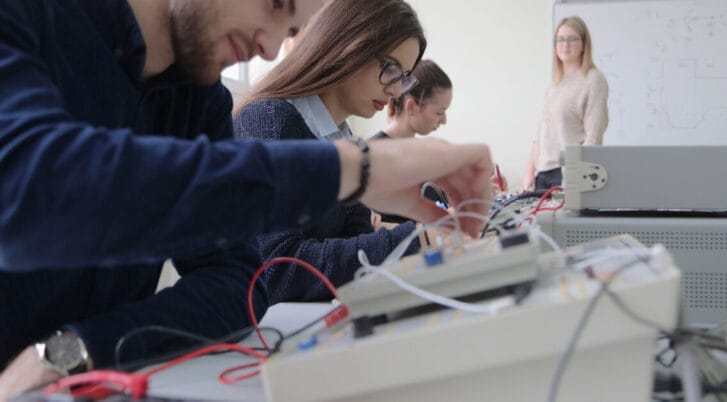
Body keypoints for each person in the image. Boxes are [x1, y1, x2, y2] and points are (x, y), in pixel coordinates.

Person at [0, 0, 493, 398]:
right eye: (276, 3)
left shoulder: (201, 100)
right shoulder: (25, 17)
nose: (271, 46)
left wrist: (75, 349)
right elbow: (34, 193)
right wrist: (352, 169)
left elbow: (241, 284)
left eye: (293, 25)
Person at [234, 0, 444, 303]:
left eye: (404, 78)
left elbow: (352, 243)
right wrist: (416, 239)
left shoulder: (344, 142)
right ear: (348, 44)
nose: (396, 91)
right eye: (391, 69)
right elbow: (279, 270)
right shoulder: (270, 120)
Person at [521, 16, 609, 192]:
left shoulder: (593, 79)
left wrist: (576, 177)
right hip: (543, 174)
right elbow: (541, 133)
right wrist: (529, 172)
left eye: (572, 38)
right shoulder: (554, 83)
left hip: (567, 175)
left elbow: (593, 137)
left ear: (584, 44)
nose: (565, 44)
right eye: (560, 39)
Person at [371, 59, 452, 140]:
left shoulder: (418, 150)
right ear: (411, 107)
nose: (444, 121)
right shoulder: (371, 150)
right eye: (439, 112)